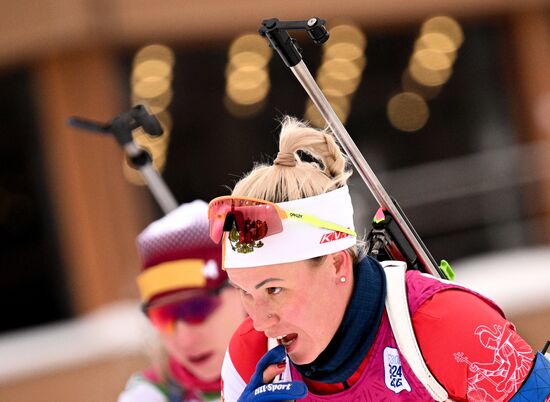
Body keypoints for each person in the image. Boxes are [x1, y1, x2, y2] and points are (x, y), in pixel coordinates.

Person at [208, 117, 550, 401]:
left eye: (274, 290)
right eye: (245, 292)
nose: (259, 321)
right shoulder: (251, 355)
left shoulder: (442, 323)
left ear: (337, 264)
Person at [118, 200, 246, 402]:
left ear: (243, 289)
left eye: (198, 309)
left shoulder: (299, 370)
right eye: (162, 316)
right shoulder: (149, 397)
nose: (185, 339)